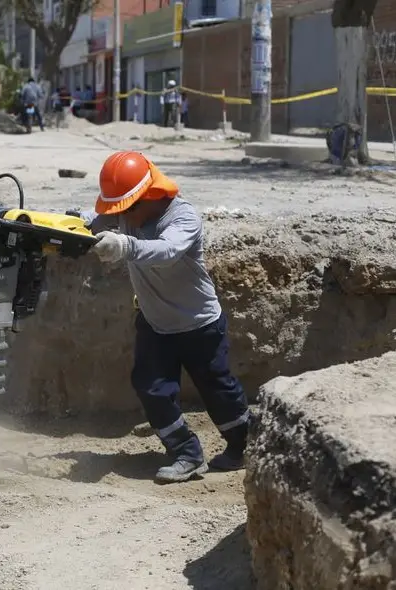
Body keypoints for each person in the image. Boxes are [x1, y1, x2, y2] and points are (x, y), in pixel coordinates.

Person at [71, 151, 251, 483]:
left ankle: (244, 446)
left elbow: (166, 251)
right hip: (155, 324)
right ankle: (186, 453)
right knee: (152, 388)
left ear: (149, 195)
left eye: (127, 208)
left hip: (200, 325)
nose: (122, 216)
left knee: (218, 391)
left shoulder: (183, 217)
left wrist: (125, 246)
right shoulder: (129, 213)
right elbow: (93, 219)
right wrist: (64, 223)